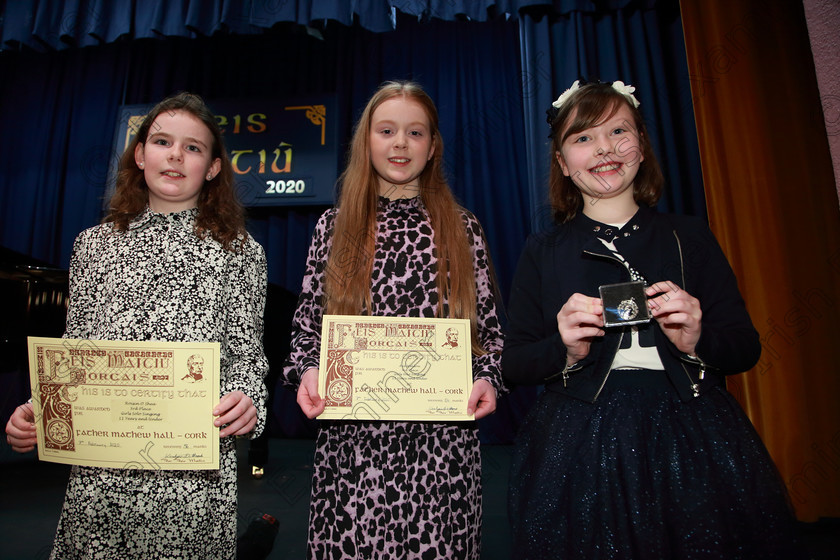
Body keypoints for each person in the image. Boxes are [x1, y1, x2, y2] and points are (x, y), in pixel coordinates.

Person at [502, 80, 806, 559]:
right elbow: (514, 364)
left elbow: (745, 348)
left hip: (693, 429)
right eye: (583, 137)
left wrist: (696, 340)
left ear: (640, 146)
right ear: (562, 163)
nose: (604, 147)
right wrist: (565, 349)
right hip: (578, 440)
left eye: (619, 131)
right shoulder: (543, 250)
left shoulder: (689, 235)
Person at [4, 92, 269, 559]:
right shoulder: (93, 246)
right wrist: (37, 410)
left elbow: (248, 358)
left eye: (193, 147)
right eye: (162, 141)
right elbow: (76, 353)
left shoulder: (241, 251)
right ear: (140, 154)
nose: (175, 155)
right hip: (101, 473)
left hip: (193, 480)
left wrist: (249, 401)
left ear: (211, 167)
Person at [282, 81, 504, 559]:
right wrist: (308, 370)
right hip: (351, 448)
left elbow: (486, 331)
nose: (400, 143)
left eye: (415, 132)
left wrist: (486, 377)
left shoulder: (462, 228)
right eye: (387, 130)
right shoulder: (333, 226)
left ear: (432, 147)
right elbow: (306, 328)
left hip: (441, 449)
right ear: (367, 141)